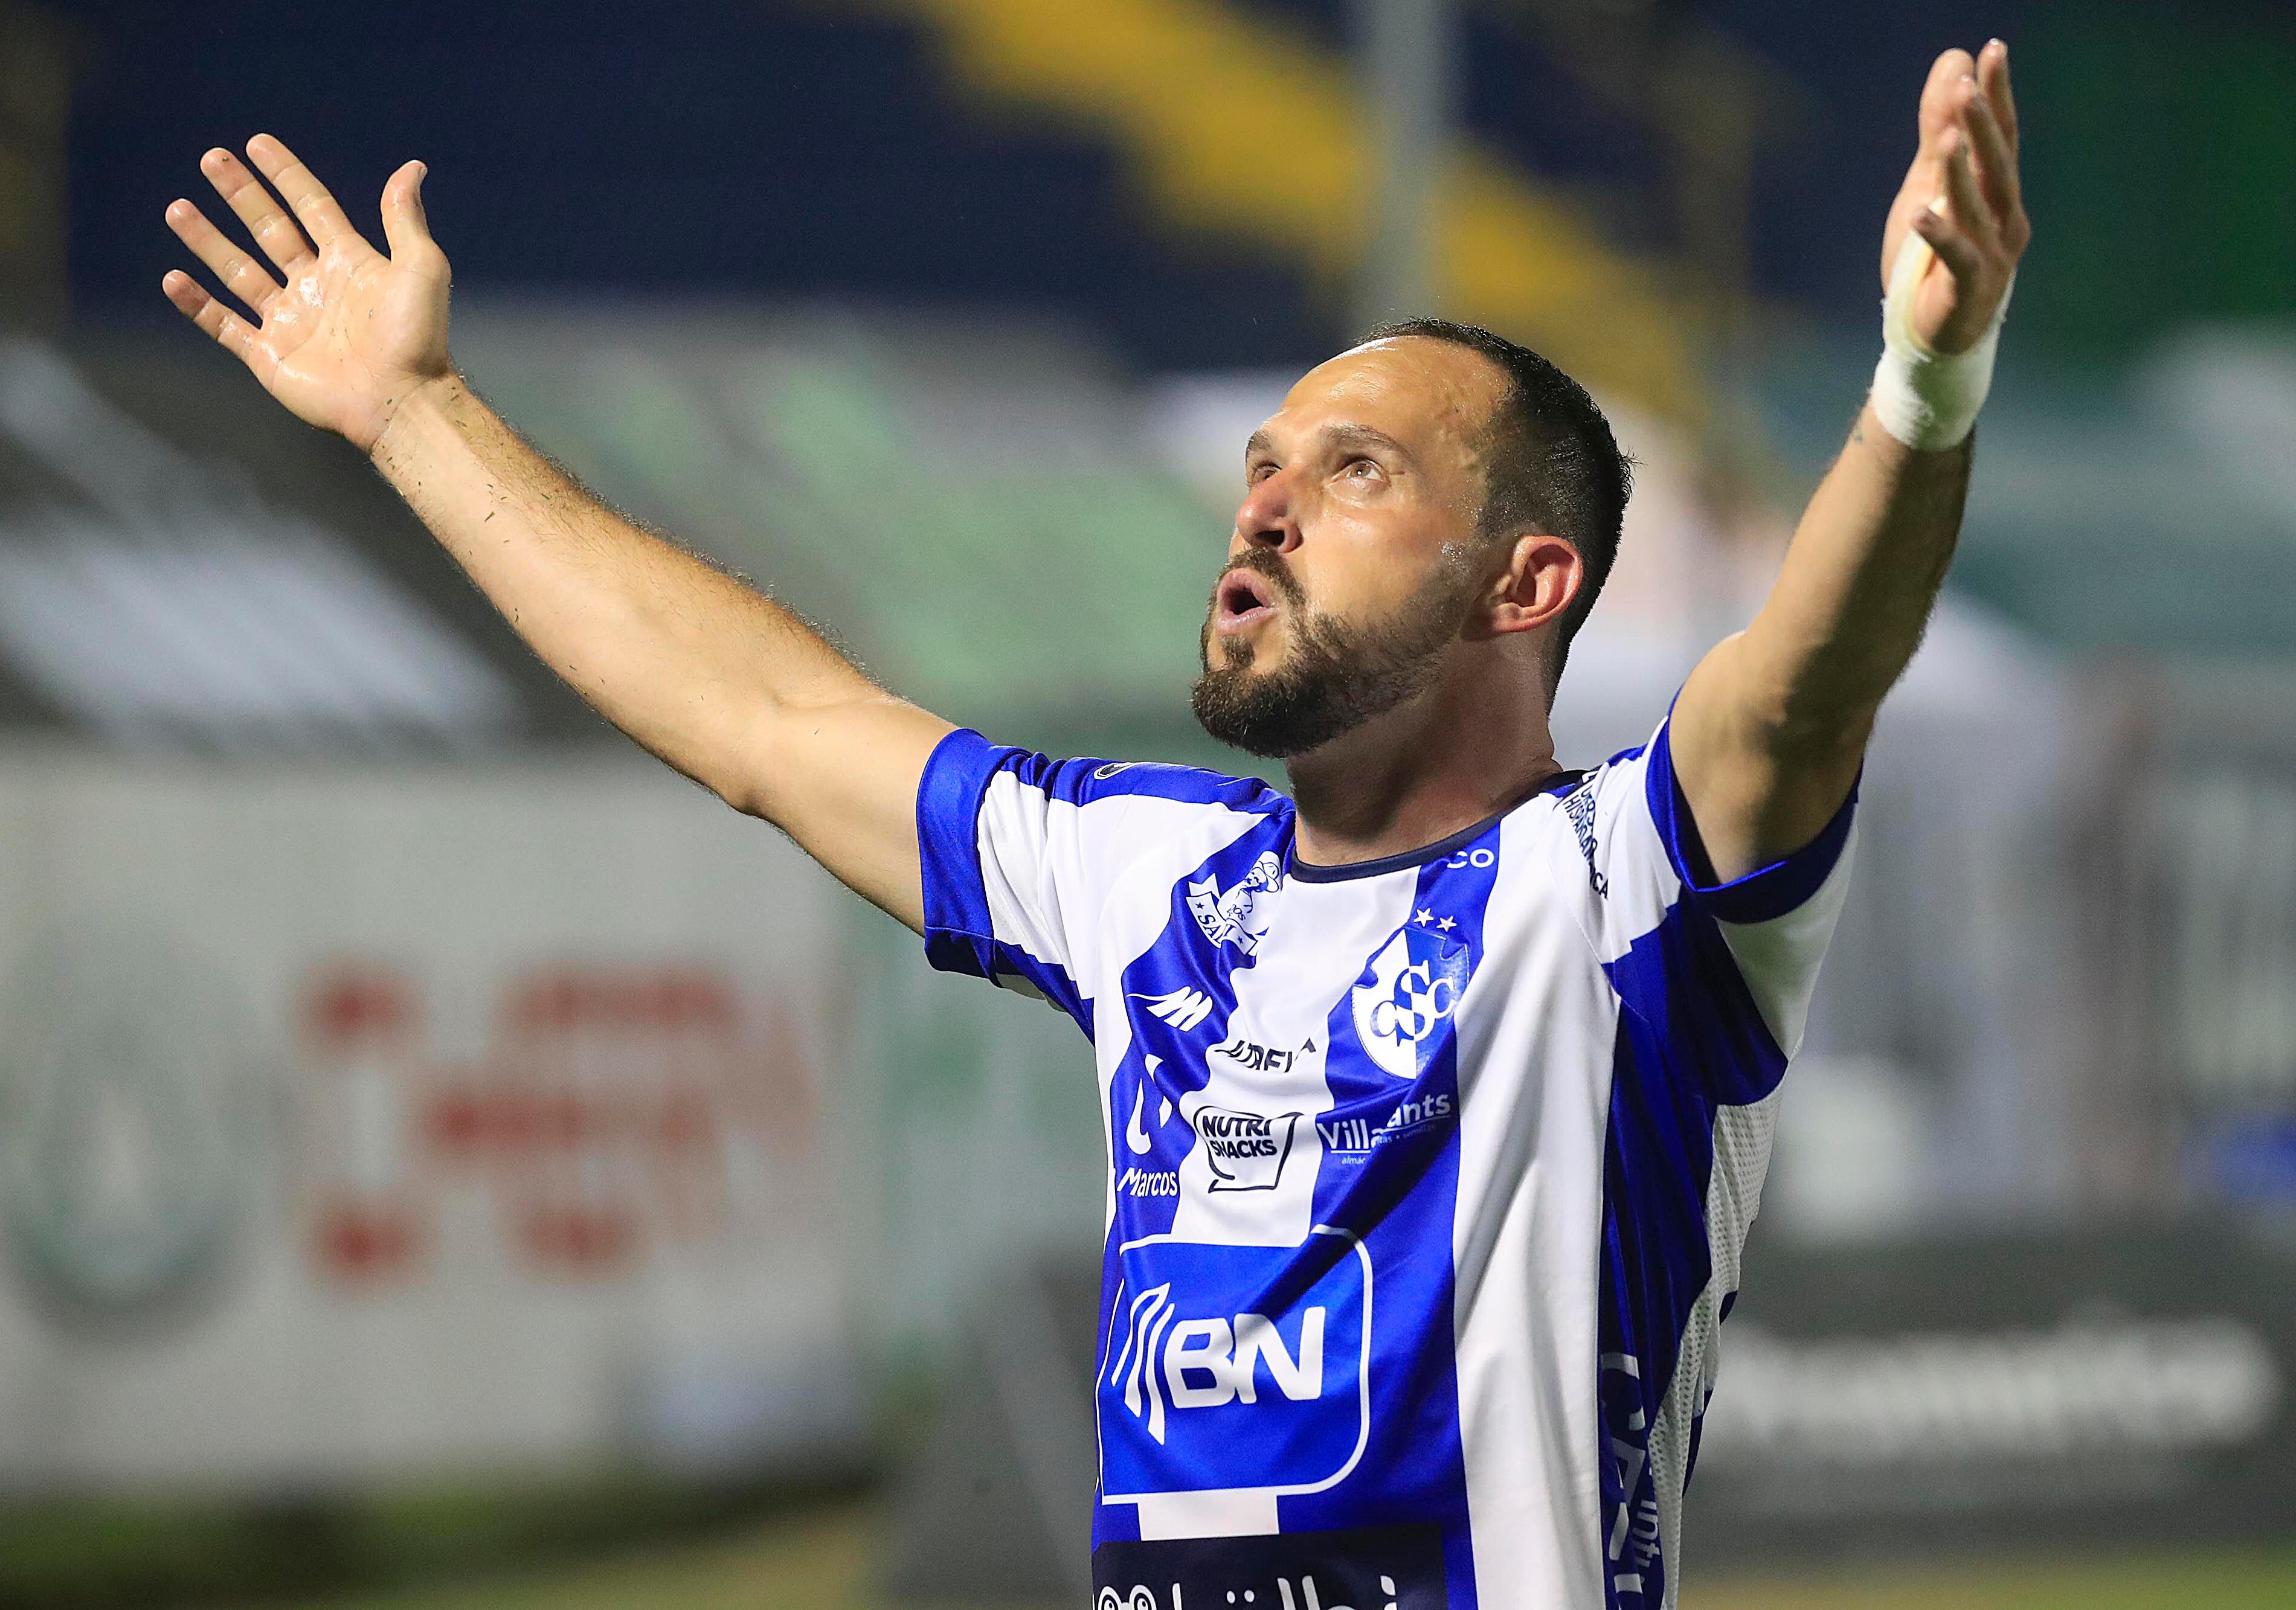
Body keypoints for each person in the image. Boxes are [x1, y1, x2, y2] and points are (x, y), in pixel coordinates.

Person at [160, 39, 2026, 1610]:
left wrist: (1923, 381)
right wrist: (414, 416)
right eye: (1262, 468)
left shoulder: (1623, 888)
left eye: (1353, 472)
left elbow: (1798, 681)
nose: (1266, 512)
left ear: (1525, 582)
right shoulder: (1154, 875)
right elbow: (764, 715)